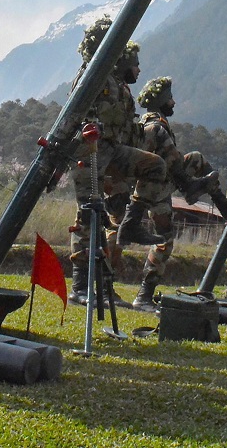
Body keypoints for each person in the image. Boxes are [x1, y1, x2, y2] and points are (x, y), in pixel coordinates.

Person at [65, 16, 170, 305]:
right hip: (88, 152)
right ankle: (80, 287)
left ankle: (133, 224)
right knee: (89, 215)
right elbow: (73, 116)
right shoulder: (90, 74)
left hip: (112, 151)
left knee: (154, 166)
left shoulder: (112, 79)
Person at [129, 76, 227, 312]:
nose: (173, 102)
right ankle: (143, 296)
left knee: (165, 242)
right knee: (164, 242)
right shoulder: (153, 126)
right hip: (155, 189)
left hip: (162, 185)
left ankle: (221, 203)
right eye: (170, 98)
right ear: (162, 100)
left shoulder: (157, 122)